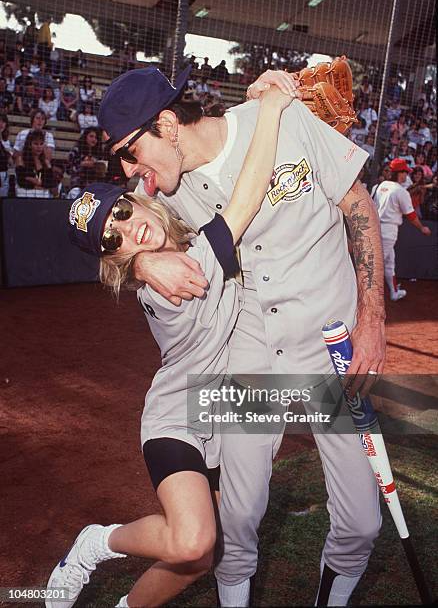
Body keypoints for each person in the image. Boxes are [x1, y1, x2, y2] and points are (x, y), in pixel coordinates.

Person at [96, 65, 386, 607]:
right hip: (248, 356)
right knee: (237, 514)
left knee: (363, 522)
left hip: (332, 348)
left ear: (167, 122)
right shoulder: (162, 189)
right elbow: (100, 229)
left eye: (130, 152)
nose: (133, 171)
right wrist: (140, 268)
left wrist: (372, 320)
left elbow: (358, 208)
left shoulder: (282, 120)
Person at [46, 85, 291, 608]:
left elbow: (158, 173)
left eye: (122, 214)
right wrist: (269, 110)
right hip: (180, 414)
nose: (129, 233)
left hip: (228, 410)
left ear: (141, 198)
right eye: (113, 241)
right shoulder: (181, 270)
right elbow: (247, 195)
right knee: (192, 540)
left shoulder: (164, 234)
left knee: (201, 556)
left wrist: (139, 251)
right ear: (111, 260)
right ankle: (98, 542)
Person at [373, 158, 431, 301]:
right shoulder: (400, 191)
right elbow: (411, 215)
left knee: (389, 262)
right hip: (388, 230)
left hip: (375, 226)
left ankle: (393, 292)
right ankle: (362, 297)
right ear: (400, 173)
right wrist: (422, 228)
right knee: (376, 265)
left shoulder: (381, 185)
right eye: (405, 172)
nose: (407, 176)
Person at [15, 129, 55, 198]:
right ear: (30, 144)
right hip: (24, 195)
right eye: (36, 144)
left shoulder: (46, 161)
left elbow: (50, 183)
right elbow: (21, 181)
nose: (39, 147)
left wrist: (35, 181)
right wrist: (37, 185)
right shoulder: (21, 159)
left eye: (41, 144)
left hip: (42, 196)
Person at [0, 113, 13, 197]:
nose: (1, 124)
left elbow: (10, 161)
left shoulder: (6, 141)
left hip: (5, 176)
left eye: (3, 121)